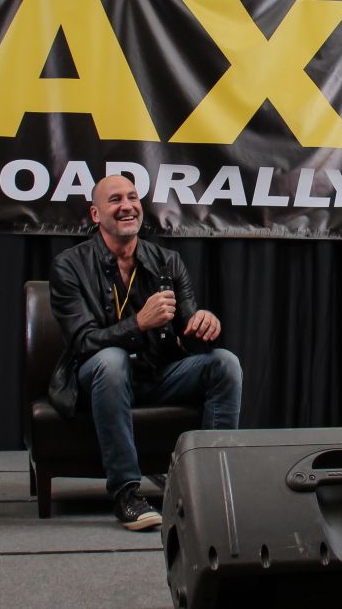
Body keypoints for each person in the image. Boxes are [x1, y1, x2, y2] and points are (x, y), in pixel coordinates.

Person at [48, 174, 242, 531]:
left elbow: (189, 330)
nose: (127, 206)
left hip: (157, 375)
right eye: (116, 200)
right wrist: (138, 323)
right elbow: (82, 343)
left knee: (225, 364)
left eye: (133, 197)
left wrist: (204, 322)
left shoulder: (167, 261)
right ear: (95, 214)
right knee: (111, 360)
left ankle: (215, 487)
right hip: (98, 379)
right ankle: (126, 492)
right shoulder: (69, 265)